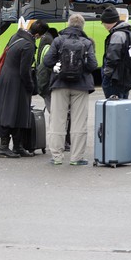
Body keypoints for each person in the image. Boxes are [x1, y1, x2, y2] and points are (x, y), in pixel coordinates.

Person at [42, 13, 99, 165]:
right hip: (81, 86)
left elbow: (47, 61)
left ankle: (56, 157)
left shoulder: (58, 40)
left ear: (68, 24)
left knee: (57, 121)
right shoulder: (87, 42)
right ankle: (76, 158)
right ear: (82, 26)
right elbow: (93, 65)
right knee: (79, 122)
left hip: (59, 84)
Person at [0, 21, 39, 158]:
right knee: (11, 113)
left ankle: (17, 146)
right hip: (16, 83)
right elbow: (25, 71)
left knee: (15, 113)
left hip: (6, 79)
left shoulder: (15, 37)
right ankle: (5, 148)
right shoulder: (28, 45)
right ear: (37, 34)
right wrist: (31, 86)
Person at [100, 6, 131, 99]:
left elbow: (112, 57)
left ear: (108, 23)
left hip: (115, 78)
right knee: (123, 105)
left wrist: (106, 75)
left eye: (103, 23)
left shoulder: (117, 35)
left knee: (114, 108)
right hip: (127, 77)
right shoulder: (129, 32)